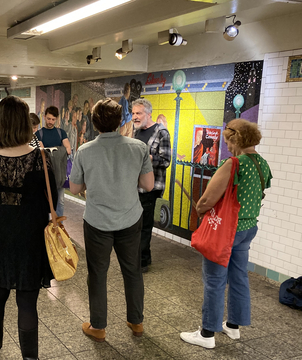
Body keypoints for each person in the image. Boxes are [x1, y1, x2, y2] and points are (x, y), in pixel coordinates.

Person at [180, 119, 272, 349]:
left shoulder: (234, 164)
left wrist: (200, 209)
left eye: (228, 141)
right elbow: (259, 193)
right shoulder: (262, 164)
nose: (227, 146)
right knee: (239, 276)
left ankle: (207, 333)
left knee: (214, 280)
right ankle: (233, 326)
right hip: (248, 228)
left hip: (227, 231)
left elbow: (207, 199)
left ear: (236, 139)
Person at [0, 95, 57, 360]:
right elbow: (52, 199)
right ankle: (30, 358)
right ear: (26, 122)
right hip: (30, 231)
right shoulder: (39, 157)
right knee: (26, 300)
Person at [69, 99, 154, 342]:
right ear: (120, 121)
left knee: (98, 273)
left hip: (97, 222)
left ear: (94, 123)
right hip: (130, 218)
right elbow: (148, 185)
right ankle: (136, 322)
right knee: (133, 270)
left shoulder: (85, 150)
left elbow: (74, 188)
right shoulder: (138, 148)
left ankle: (98, 326)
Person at [132, 99, 171, 272]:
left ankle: (143, 262)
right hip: (135, 186)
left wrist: (149, 158)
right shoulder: (136, 132)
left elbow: (166, 161)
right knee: (135, 223)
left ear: (148, 114)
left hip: (150, 187)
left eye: (138, 113)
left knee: (144, 224)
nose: (135, 117)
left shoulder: (161, 132)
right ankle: (138, 257)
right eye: (133, 113)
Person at [35, 106, 71, 218]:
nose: (50, 122)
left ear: (57, 119)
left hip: (59, 174)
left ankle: (59, 227)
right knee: (44, 201)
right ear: (44, 117)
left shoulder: (61, 133)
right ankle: (46, 227)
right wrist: (57, 150)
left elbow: (68, 150)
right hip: (45, 174)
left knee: (60, 202)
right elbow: (40, 152)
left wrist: (49, 150)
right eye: (49, 119)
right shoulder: (39, 134)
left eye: (53, 119)